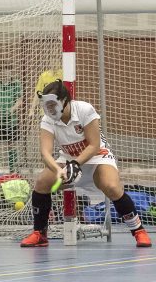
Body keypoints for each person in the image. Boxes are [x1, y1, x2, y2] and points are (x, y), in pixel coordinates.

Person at [20, 80, 152, 248]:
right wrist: (58, 170)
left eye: (53, 104)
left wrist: (76, 163)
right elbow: (45, 153)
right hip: (68, 159)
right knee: (42, 183)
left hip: (97, 157)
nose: (50, 109)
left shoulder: (84, 110)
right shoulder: (48, 119)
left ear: (65, 100)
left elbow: (94, 145)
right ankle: (40, 233)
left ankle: (139, 231)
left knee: (111, 186)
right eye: (47, 105)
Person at [0, 65, 23, 174]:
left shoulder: (16, 84)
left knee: (11, 144)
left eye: (7, 71)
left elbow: (20, 100)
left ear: (10, 72)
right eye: (2, 72)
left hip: (10, 121)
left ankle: (12, 171)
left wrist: (11, 109)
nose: (4, 74)